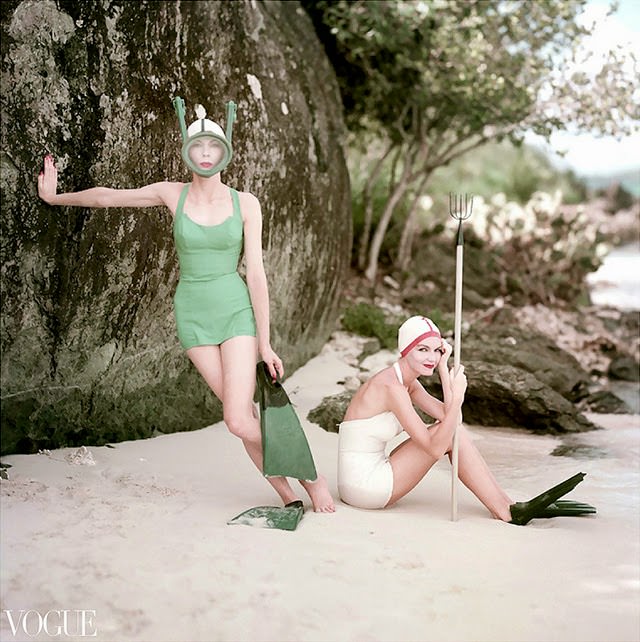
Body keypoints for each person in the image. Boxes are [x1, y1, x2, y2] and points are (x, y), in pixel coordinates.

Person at [37, 97, 335, 513]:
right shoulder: (170, 194)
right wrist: (56, 198)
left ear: (225, 151)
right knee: (244, 416)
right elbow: (108, 198)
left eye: (214, 147)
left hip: (235, 314)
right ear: (188, 152)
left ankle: (313, 480)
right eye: (199, 148)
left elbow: (256, 275)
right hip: (193, 315)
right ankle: (289, 497)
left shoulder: (246, 203)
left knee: (235, 419)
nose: (207, 154)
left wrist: (265, 344)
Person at [337, 315, 595, 524]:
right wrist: (457, 395)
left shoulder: (408, 382)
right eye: (422, 350)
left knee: (450, 431)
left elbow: (452, 419)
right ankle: (506, 510)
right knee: (445, 437)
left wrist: (443, 369)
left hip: (370, 472)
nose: (431, 357)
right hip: (364, 487)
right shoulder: (391, 387)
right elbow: (435, 446)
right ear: (405, 351)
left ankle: (507, 505)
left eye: (436, 350)